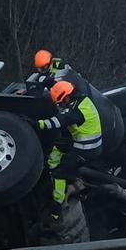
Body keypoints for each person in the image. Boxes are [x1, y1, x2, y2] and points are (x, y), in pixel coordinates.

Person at [37, 80, 102, 210]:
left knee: (60, 173)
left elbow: (59, 121)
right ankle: (50, 167)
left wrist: (38, 124)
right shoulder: (81, 97)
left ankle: (57, 206)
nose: (60, 106)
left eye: (60, 103)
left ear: (67, 97)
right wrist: (52, 84)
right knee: (58, 145)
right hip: (87, 143)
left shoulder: (76, 111)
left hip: (85, 149)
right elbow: (63, 88)